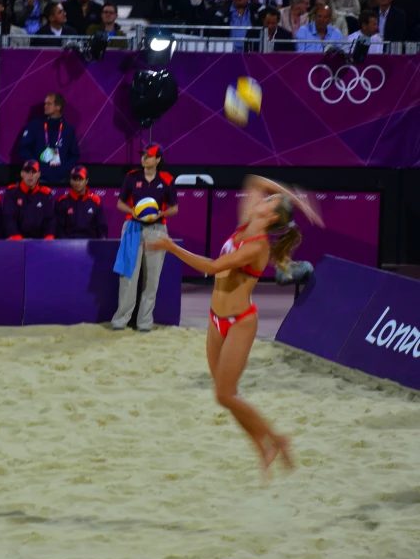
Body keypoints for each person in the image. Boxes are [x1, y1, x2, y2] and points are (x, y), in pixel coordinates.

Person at [147, 174, 324, 474]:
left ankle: (278, 439)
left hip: (240, 322)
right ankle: (261, 446)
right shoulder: (248, 223)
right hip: (216, 318)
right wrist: (292, 197)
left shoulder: (258, 246)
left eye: (269, 202)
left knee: (225, 394)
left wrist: (171, 247)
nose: (262, 199)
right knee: (226, 396)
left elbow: (214, 267)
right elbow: (255, 182)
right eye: (266, 198)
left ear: (269, 217)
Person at [111, 142, 178, 333]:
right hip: (133, 228)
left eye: (149, 156)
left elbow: (174, 208)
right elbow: (120, 204)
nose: (144, 158)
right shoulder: (132, 177)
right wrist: (132, 211)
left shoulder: (166, 179)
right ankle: (121, 320)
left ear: (158, 160)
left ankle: (145, 322)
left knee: (152, 279)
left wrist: (161, 214)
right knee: (128, 276)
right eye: (143, 155)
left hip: (157, 229)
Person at [19, 93, 80, 183]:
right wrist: (36, 167)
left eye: (49, 104)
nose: (45, 106)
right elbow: (24, 149)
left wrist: (64, 169)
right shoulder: (35, 125)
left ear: (58, 107)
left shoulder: (68, 129)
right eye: (45, 104)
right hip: (38, 178)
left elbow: (74, 154)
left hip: (61, 179)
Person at [3, 160, 55, 240]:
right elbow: (8, 217)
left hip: (39, 241)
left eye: (33, 172)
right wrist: (14, 234)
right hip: (15, 239)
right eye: (27, 172)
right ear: (22, 174)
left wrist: (49, 235)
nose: (30, 175)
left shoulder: (45, 194)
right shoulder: (12, 192)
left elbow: (49, 219)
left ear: (38, 175)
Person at [55, 165, 108, 238]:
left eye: (80, 179)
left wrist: (103, 239)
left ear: (86, 181)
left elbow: (101, 226)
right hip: (68, 245)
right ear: (70, 181)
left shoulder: (95, 201)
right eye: (75, 179)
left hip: (90, 244)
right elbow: (58, 228)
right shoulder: (62, 202)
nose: (78, 182)